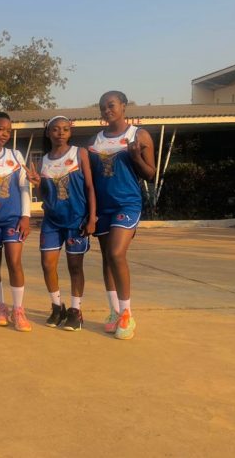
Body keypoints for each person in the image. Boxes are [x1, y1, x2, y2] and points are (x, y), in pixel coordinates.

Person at [88, 91, 155, 340]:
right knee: (107, 258)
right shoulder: (95, 140)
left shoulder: (139, 135)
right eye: (103, 107)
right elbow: (90, 179)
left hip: (126, 204)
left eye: (111, 105)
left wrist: (135, 156)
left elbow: (150, 174)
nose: (107, 110)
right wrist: (90, 213)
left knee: (117, 254)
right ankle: (114, 312)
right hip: (102, 208)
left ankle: (127, 314)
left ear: (124, 106)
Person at [24, 116, 96, 331]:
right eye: (55, 129)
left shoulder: (79, 153)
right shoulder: (43, 161)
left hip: (76, 220)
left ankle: (75, 310)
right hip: (52, 221)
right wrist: (37, 184)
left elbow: (90, 187)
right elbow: (45, 196)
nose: (60, 133)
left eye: (65, 129)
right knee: (47, 264)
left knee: (75, 266)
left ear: (70, 132)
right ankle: (57, 307)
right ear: (48, 133)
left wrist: (92, 217)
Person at [0, 112, 32, 331]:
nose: (5, 134)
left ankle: (18, 309)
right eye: (1, 129)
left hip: (13, 218)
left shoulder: (15, 155)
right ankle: (0, 307)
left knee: (14, 261)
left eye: (8, 131)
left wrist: (25, 216)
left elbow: (24, 186)